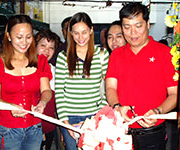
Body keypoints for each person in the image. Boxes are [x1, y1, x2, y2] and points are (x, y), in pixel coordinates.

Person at [105, 2, 178, 150]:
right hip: (121, 130)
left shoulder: (165, 54)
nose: (133, 33)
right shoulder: (117, 55)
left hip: (152, 132)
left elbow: (174, 94)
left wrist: (158, 111)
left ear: (148, 24)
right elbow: (111, 87)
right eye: (127, 27)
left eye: (138, 26)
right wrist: (117, 107)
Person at [0, 15, 52, 150]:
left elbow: (46, 91)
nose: (24, 42)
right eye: (19, 37)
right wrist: (9, 106)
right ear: (8, 36)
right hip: (7, 130)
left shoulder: (41, 61)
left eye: (28, 37)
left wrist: (42, 103)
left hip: (34, 128)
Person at [55, 12, 109, 150]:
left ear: (91, 30)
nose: (80, 37)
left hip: (95, 116)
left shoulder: (102, 55)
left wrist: (99, 117)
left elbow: (106, 88)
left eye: (84, 32)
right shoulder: (63, 57)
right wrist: (65, 122)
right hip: (70, 117)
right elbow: (60, 92)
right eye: (76, 33)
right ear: (70, 33)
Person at [35, 29, 59, 150]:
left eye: (51, 47)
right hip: (30, 125)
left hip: (48, 124)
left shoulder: (56, 71)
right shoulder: (26, 69)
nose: (47, 50)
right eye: (43, 45)